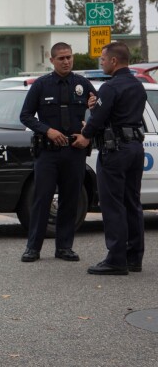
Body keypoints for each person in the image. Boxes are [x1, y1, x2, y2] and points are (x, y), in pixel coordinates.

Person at [72, 42, 146, 275]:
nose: (101, 62)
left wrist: (86, 132)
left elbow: (99, 120)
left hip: (115, 152)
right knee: (132, 203)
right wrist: (97, 110)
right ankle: (134, 257)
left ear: (114, 61)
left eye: (103, 59)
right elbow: (120, 115)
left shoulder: (110, 87)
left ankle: (115, 260)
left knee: (113, 205)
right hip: (135, 148)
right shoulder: (137, 85)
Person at [19, 42, 97, 263]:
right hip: (48, 153)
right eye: (61, 58)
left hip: (74, 152)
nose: (66, 61)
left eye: (69, 57)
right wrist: (48, 130)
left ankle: (64, 247)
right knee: (42, 199)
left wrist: (88, 133)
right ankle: (33, 248)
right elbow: (25, 116)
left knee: (70, 200)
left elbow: (100, 111)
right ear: (51, 60)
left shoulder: (82, 83)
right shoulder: (42, 86)